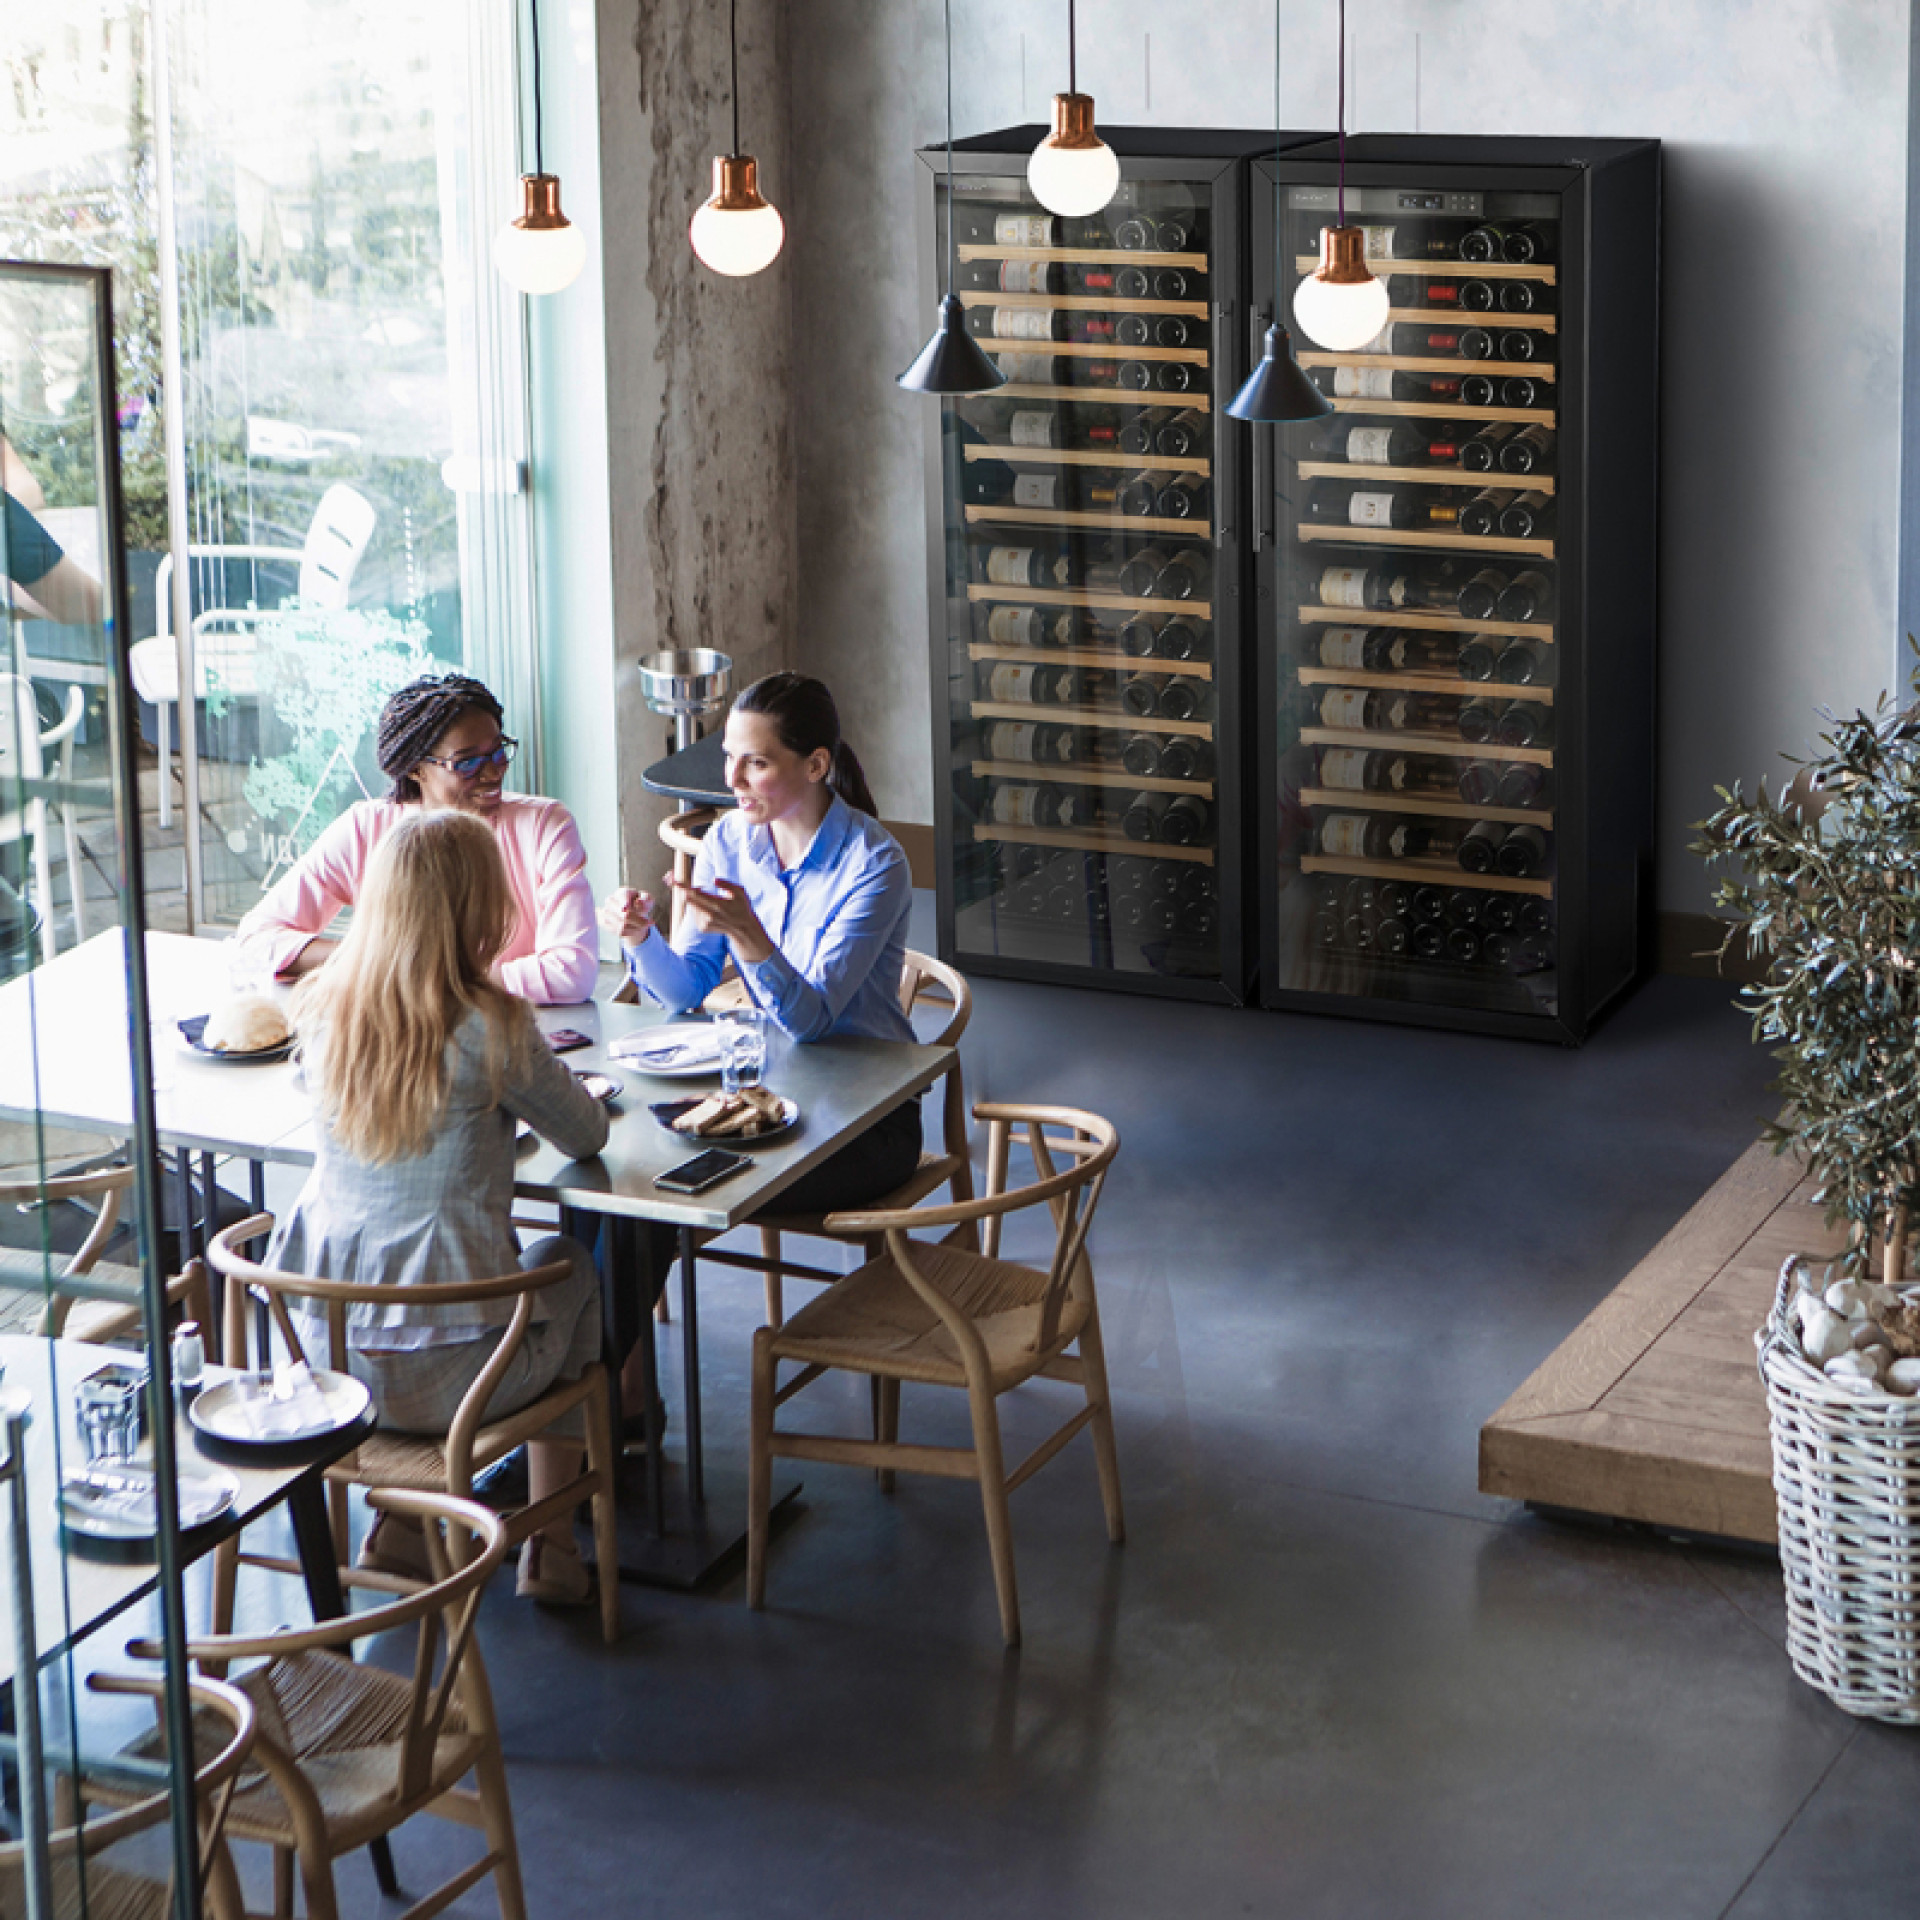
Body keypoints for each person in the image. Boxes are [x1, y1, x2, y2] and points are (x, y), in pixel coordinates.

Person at [269, 808, 610, 1605]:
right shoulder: (491, 1026)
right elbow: (586, 1133)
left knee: (469, 1282)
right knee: (567, 1263)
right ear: (479, 909)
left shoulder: (324, 1014)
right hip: (452, 1382)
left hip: (325, 1364)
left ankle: (401, 1526)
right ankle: (553, 1547)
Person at [602, 671, 922, 1216]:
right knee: (623, 1179)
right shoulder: (727, 841)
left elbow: (812, 1022)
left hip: (867, 1122)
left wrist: (751, 938)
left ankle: (592, 1303)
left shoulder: (875, 864)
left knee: (653, 1191)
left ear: (816, 765)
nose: (732, 779)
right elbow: (686, 991)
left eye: (756, 762)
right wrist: (641, 939)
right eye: (730, 757)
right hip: (767, 1099)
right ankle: (590, 1304)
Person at [235, 672, 598, 1004]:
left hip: (510, 1036)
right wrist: (379, 957)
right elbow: (255, 942)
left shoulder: (544, 826)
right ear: (415, 769)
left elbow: (572, 972)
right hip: (400, 1040)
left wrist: (420, 976)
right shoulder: (367, 829)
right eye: (467, 762)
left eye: (499, 752)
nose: (493, 772)